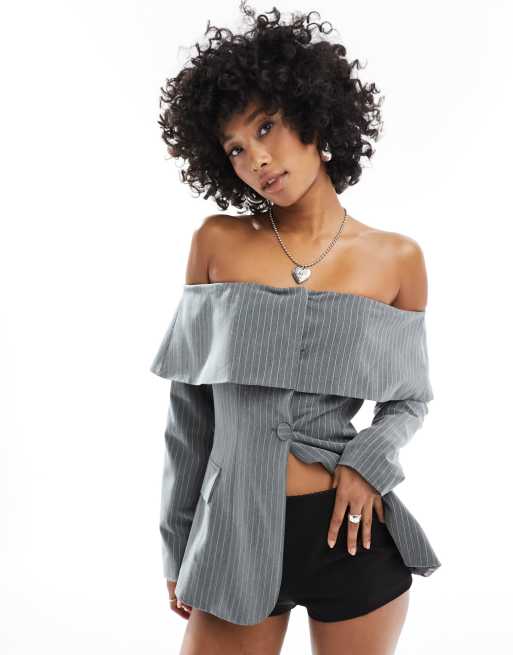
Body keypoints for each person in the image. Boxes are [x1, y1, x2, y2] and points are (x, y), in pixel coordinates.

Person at [150, 3, 441, 653]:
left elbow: (408, 400)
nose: (256, 157)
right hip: (232, 536)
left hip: (351, 533)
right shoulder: (216, 244)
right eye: (235, 147)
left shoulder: (395, 259)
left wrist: (367, 464)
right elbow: (188, 412)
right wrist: (177, 542)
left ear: (312, 115)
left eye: (266, 126)